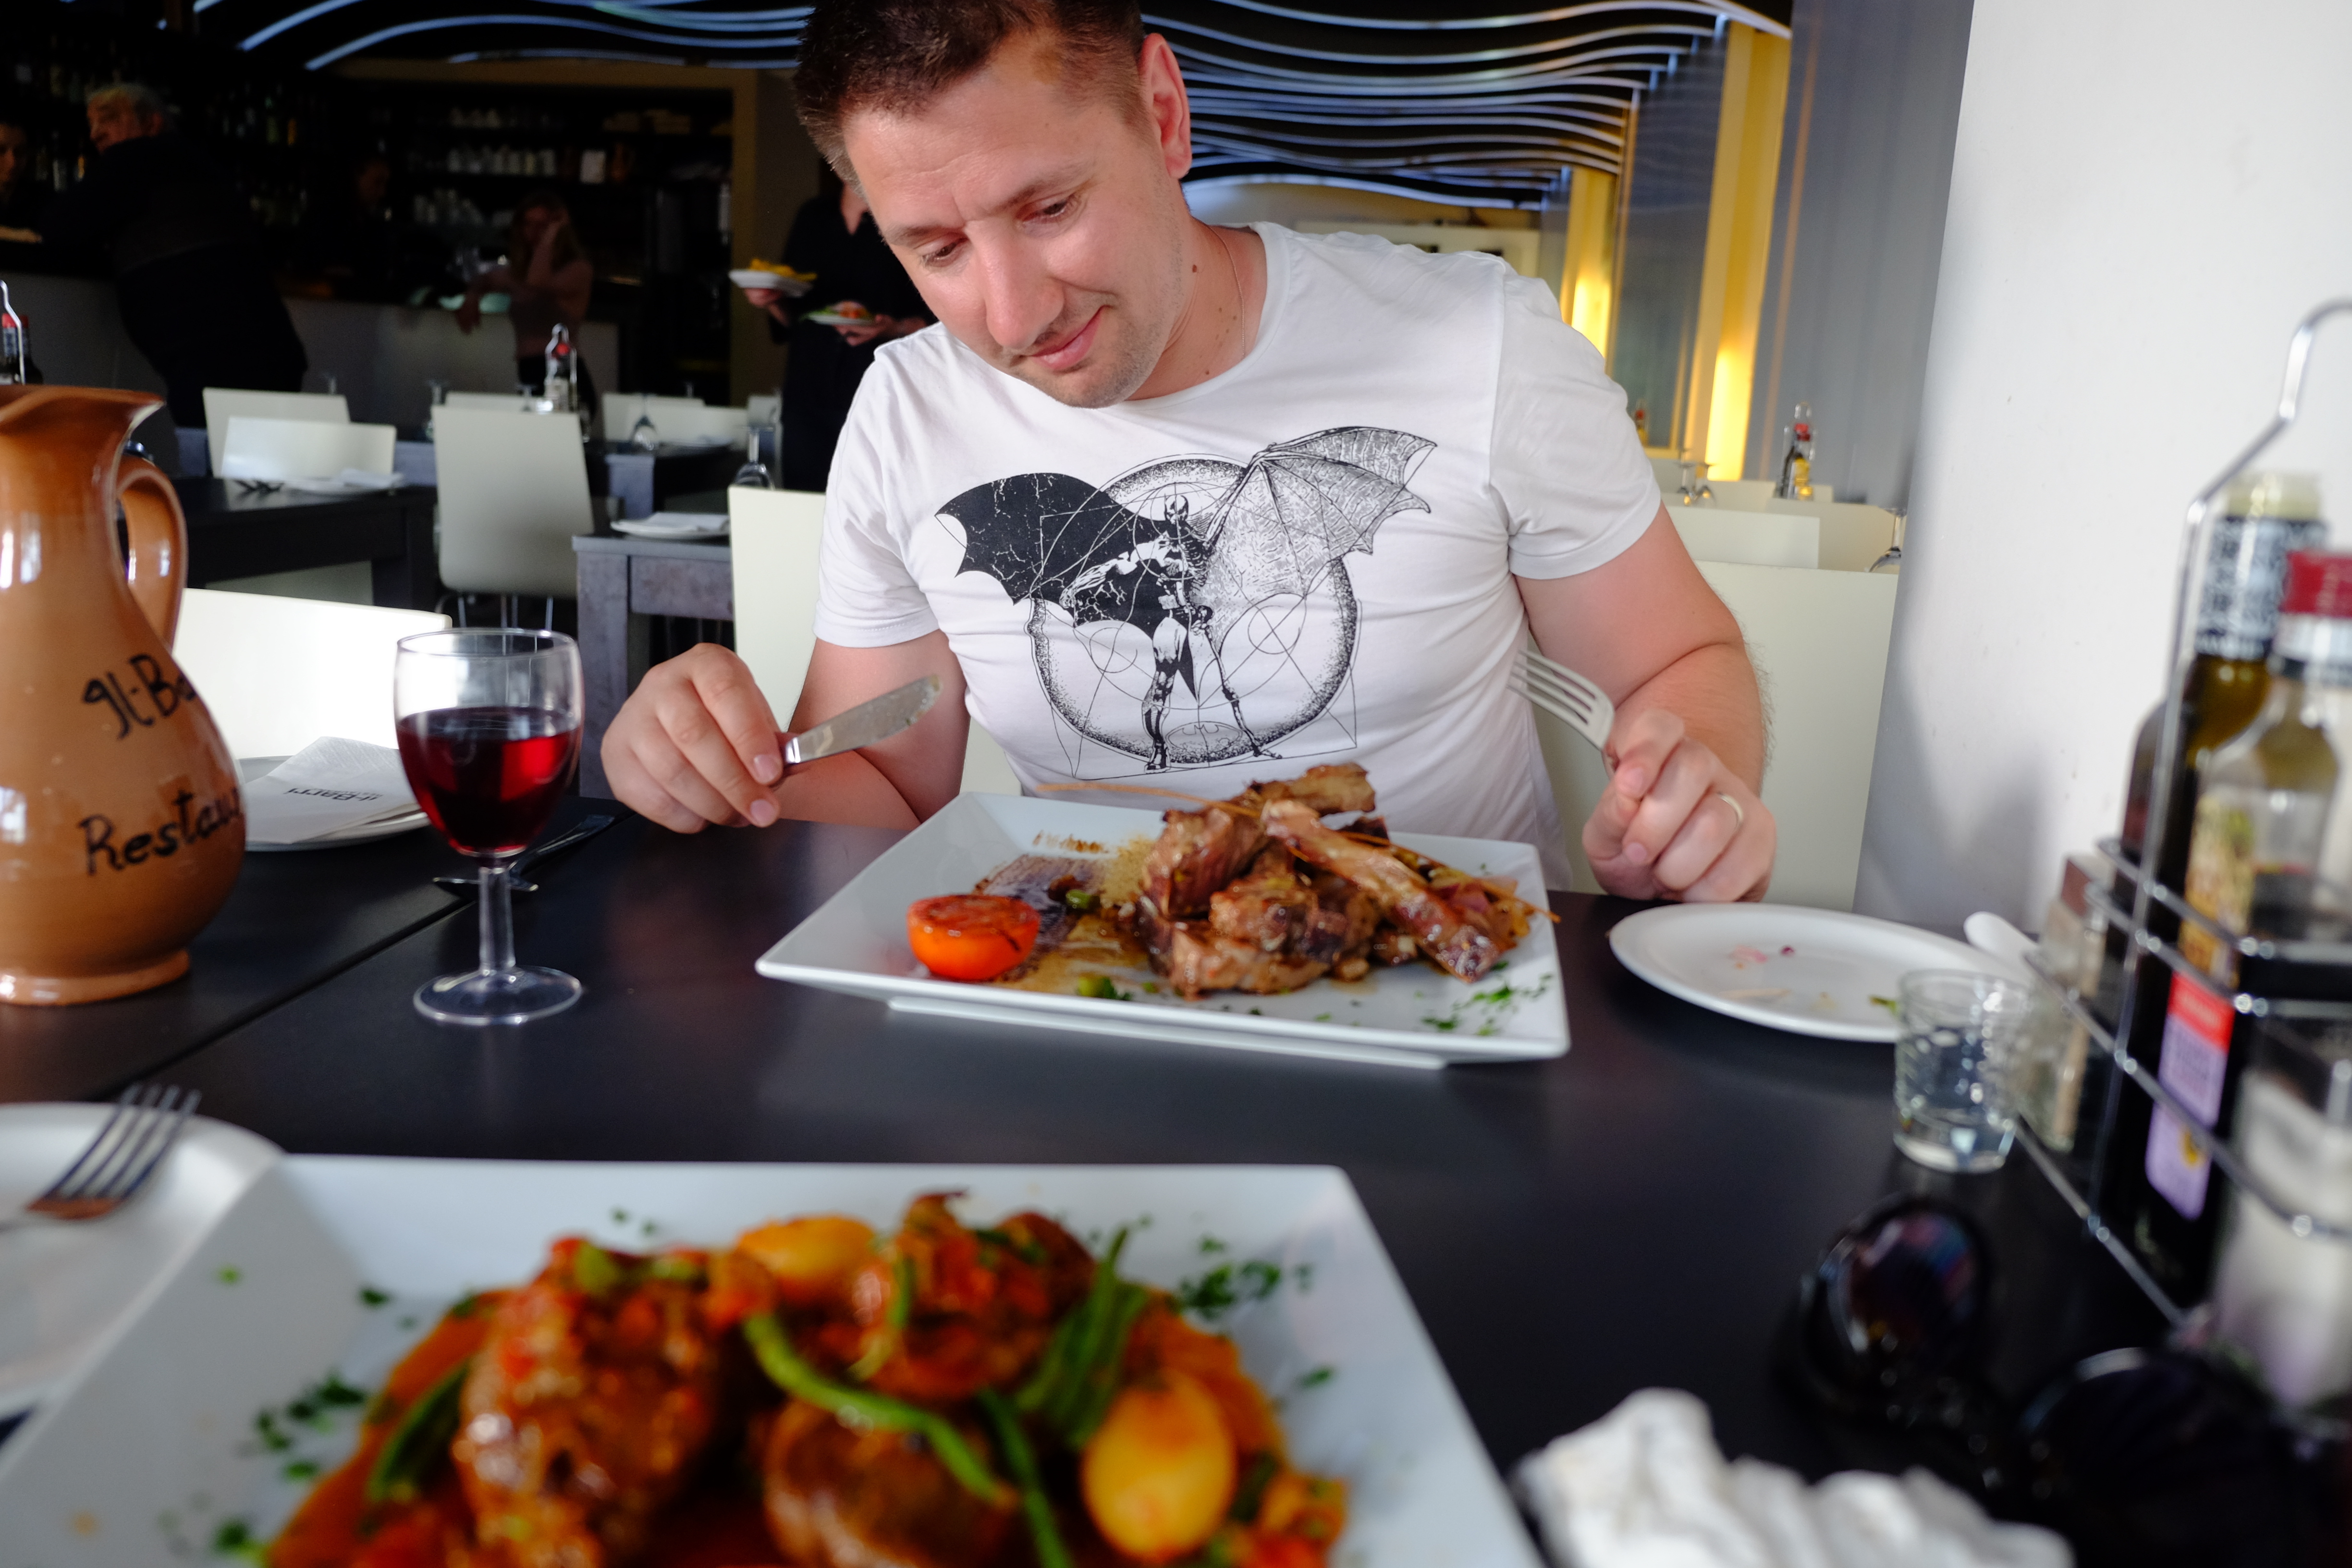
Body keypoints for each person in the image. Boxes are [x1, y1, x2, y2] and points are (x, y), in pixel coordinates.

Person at [602, 0, 1777, 903]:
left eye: (1050, 209)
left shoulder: (1481, 342)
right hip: (1090, 976)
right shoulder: (910, 409)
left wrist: (1694, 792)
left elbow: (1680, 657)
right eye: (939, 249)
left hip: (1448, 986)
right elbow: (892, 787)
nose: (1013, 316)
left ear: (1162, 114)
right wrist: (710, 773)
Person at [34, 83, 308, 427]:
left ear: (152, 123)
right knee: (265, 457)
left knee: (210, 455)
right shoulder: (201, 164)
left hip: (211, 356)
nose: (96, 134)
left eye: (109, 119)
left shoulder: (136, 158)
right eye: (91, 124)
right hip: (270, 348)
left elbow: (58, 226)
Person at [744, 166, 933, 489]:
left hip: (879, 395)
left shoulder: (905, 219)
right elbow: (795, 320)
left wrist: (896, 327)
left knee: (874, 497)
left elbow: (939, 319)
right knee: (805, 500)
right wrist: (771, 299)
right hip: (807, 393)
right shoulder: (813, 217)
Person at [457, 190, 594, 405]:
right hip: (530, 371)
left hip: (563, 374)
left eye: (543, 225)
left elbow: (537, 282)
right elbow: (485, 279)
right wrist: (472, 297)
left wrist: (548, 241)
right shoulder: (518, 273)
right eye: (528, 224)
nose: (534, 232)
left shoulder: (577, 270)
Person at [0, 111, 49, 242]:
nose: (12, 163)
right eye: (1, 150)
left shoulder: (42, 199)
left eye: (20, 152)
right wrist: (15, 235)